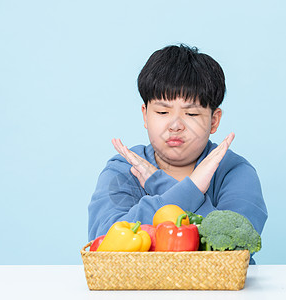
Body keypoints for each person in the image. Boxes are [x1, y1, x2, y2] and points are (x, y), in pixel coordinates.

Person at [88, 44, 267, 262]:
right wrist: (191, 190)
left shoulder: (236, 171)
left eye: (191, 113)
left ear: (214, 120)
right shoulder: (124, 168)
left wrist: (160, 183)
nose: (175, 125)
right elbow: (104, 245)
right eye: (163, 112)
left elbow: (234, 251)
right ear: (145, 115)